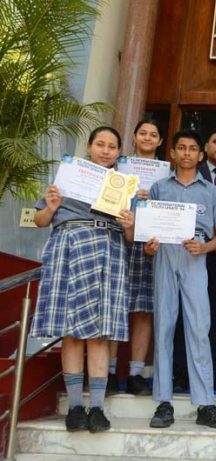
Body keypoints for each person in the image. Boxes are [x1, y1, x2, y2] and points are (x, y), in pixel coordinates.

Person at [32, 126, 135, 433]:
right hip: (68, 247)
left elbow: (131, 237)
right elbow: (39, 221)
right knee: (71, 331)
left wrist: (129, 224)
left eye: (112, 146)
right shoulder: (67, 177)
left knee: (100, 332)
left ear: (119, 152)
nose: (105, 150)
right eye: (100, 144)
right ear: (89, 147)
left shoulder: (125, 186)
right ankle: (76, 406)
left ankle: (98, 409)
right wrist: (50, 208)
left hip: (108, 249)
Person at [144, 129, 216, 429]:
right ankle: (164, 402)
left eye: (192, 149)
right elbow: (145, 235)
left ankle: (205, 403)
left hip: (195, 257)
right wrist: (149, 246)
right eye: (180, 147)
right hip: (165, 254)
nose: (186, 153)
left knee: (198, 328)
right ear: (172, 153)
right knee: (165, 327)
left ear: (201, 154)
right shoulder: (158, 188)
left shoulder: (210, 190)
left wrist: (204, 247)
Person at [173, 128, 216, 391]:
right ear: (204, 150)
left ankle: (212, 371)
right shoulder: (183, 177)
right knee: (182, 313)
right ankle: (180, 372)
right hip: (188, 254)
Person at [107, 119, 164, 396]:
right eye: (143, 133)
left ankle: (136, 372)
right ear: (134, 137)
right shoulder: (117, 169)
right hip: (118, 242)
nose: (148, 138)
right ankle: (107, 370)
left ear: (160, 142)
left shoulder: (166, 175)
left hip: (150, 244)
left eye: (153, 135)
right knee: (116, 306)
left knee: (143, 309)